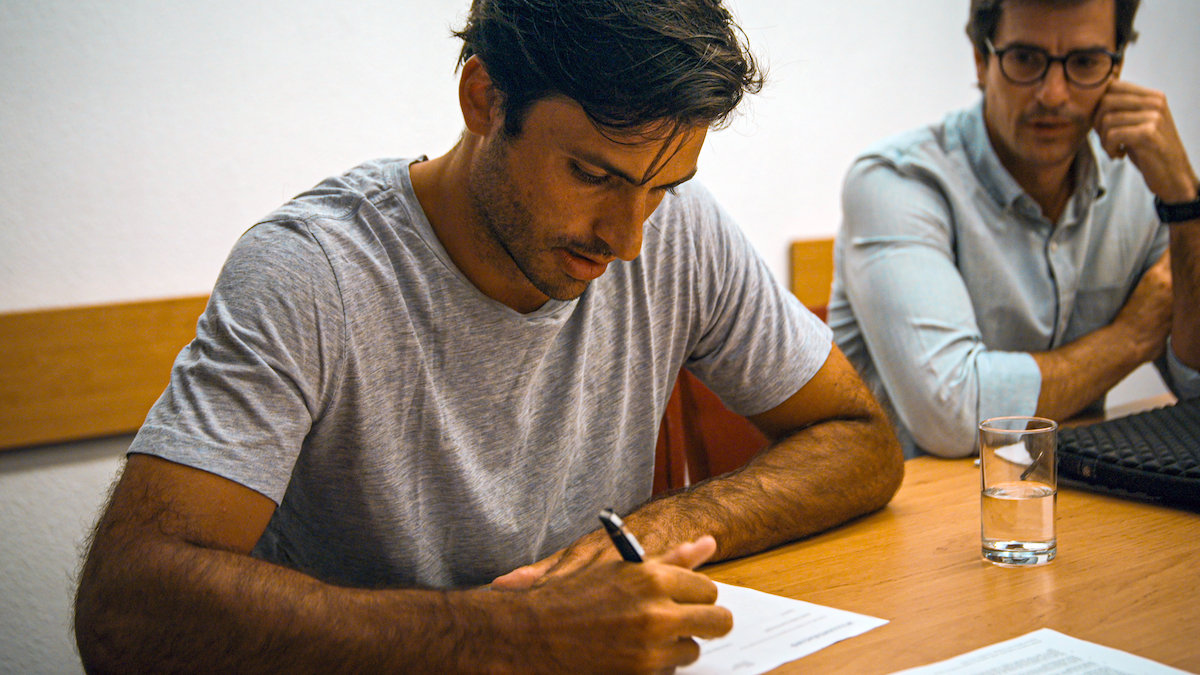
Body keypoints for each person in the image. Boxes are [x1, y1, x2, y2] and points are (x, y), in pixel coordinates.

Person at [73, 1, 904, 673]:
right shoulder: (311, 272)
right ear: (483, 99)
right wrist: (511, 636)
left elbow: (860, 439)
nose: (628, 239)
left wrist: (656, 529)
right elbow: (126, 606)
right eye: (593, 174)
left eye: (663, 187)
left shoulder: (675, 229)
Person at [828, 0, 1200, 459]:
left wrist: (1187, 203)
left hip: (1085, 498)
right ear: (981, 60)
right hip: (918, 516)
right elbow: (955, 417)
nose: (1054, 94)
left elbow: (1195, 386)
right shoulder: (899, 181)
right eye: (1026, 59)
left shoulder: (1142, 181)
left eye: (1084, 63)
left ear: (1116, 68)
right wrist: (1132, 337)